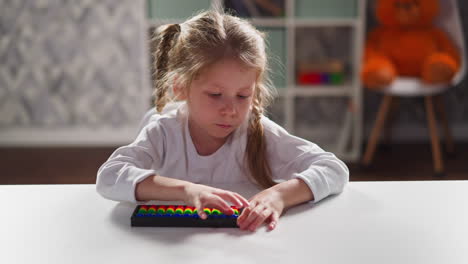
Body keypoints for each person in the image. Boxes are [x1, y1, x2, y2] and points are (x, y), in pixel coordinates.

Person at [96, 10, 349, 232]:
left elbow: (333, 169)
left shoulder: (255, 131)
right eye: (215, 95)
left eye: (242, 95)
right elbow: (109, 176)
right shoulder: (163, 132)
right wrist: (187, 191)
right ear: (180, 87)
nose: (230, 110)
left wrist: (278, 195)